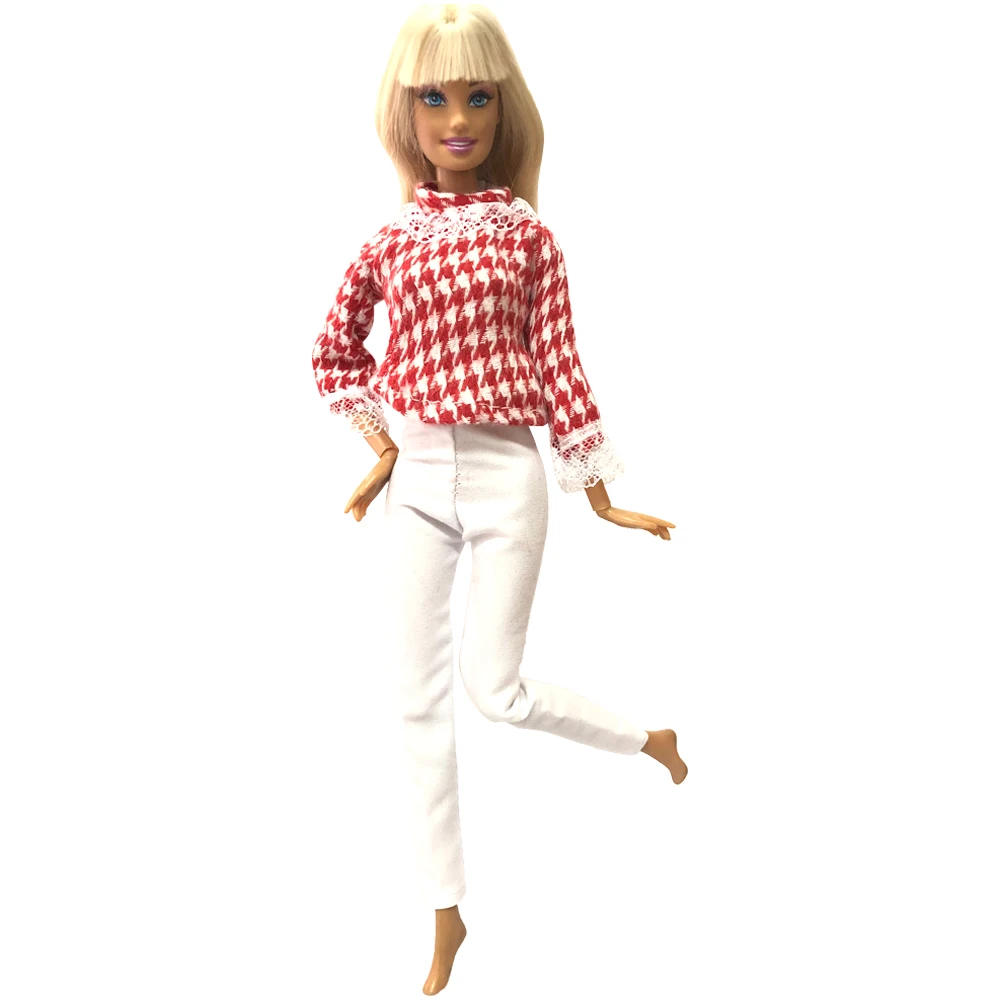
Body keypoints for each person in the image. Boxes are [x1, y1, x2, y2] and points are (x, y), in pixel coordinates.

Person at [311, 4, 688, 994]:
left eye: (477, 97)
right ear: (405, 112)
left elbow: (560, 365)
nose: (456, 120)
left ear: (503, 108)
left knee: (497, 690)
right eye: (434, 98)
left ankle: (646, 738)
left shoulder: (530, 240)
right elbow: (333, 350)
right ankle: (446, 910)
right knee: (414, 698)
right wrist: (381, 444)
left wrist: (601, 492)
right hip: (415, 478)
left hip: (506, 471)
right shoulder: (390, 240)